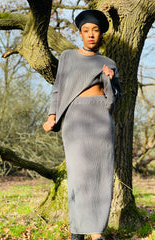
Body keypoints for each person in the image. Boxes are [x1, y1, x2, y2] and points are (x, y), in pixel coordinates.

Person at [43, 9, 121, 240]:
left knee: (101, 174)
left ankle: (97, 232)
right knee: (78, 176)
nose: (90, 35)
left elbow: (115, 97)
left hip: (100, 120)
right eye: (86, 30)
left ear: (101, 35)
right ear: (80, 34)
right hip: (75, 119)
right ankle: (77, 230)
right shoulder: (67, 56)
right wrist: (51, 115)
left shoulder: (109, 62)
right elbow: (57, 88)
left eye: (95, 30)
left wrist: (110, 79)